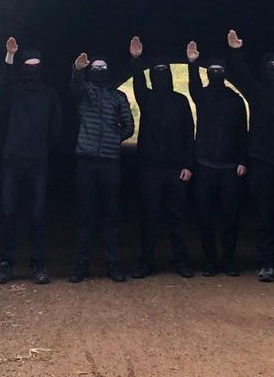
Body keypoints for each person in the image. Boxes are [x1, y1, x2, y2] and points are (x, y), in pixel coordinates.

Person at [227, 29, 274, 282]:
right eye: (270, 66)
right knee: (263, 213)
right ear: (264, 68)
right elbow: (241, 76)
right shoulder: (256, 92)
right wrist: (236, 51)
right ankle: (265, 264)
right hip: (261, 160)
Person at [0, 38, 63, 285]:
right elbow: (1, 86)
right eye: (27, 65)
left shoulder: (49, 95)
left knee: (38, 214)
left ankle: (38, 264)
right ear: (22, 66)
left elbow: (57, 127)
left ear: (42, 67)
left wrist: (43, 148)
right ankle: (5, 264)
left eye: (36, 65)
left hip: (37, 163)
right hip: (12, 160)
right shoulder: (14, 90)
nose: (31, 69)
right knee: (8, 212)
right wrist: (9, 56)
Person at [129, 36, 195, 279]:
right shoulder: (146, 98)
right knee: (150, 217)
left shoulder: (181, 101)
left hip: (176, 169)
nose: (160, 76)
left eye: (163, 73)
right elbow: (137, 84)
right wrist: (136, 61)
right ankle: (146, 262)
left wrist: (189, 164)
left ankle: (181, 262)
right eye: (155, 73)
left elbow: (190, 133)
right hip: (151, 169)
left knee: (178, 217)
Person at [69, 51, 134, 283]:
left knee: (111, 215)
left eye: (101, 69)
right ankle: (81, 265)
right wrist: (77, 70)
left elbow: (128, 126)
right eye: (94, 69)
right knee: (85, 216)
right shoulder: (84, 93)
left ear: (108, 73)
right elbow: (74, 87)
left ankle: (113, 264)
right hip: (86, 162)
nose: (98, 72)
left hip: (110, 164)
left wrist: (112, 139)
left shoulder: (118, 97)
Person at [186, 40, 247, 276]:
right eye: (212, 72)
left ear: (225, 75)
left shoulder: (236, 100)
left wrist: (243, 159)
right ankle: (210, 261)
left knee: (230, 216)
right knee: (205, 215)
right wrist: (192, 64)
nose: (216, 75)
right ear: (208, 74)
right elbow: (193, 88)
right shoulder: (203, 97)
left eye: (219, 72)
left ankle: (229, 259)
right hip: (204, 164)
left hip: (230, 166)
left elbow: (243, 131)